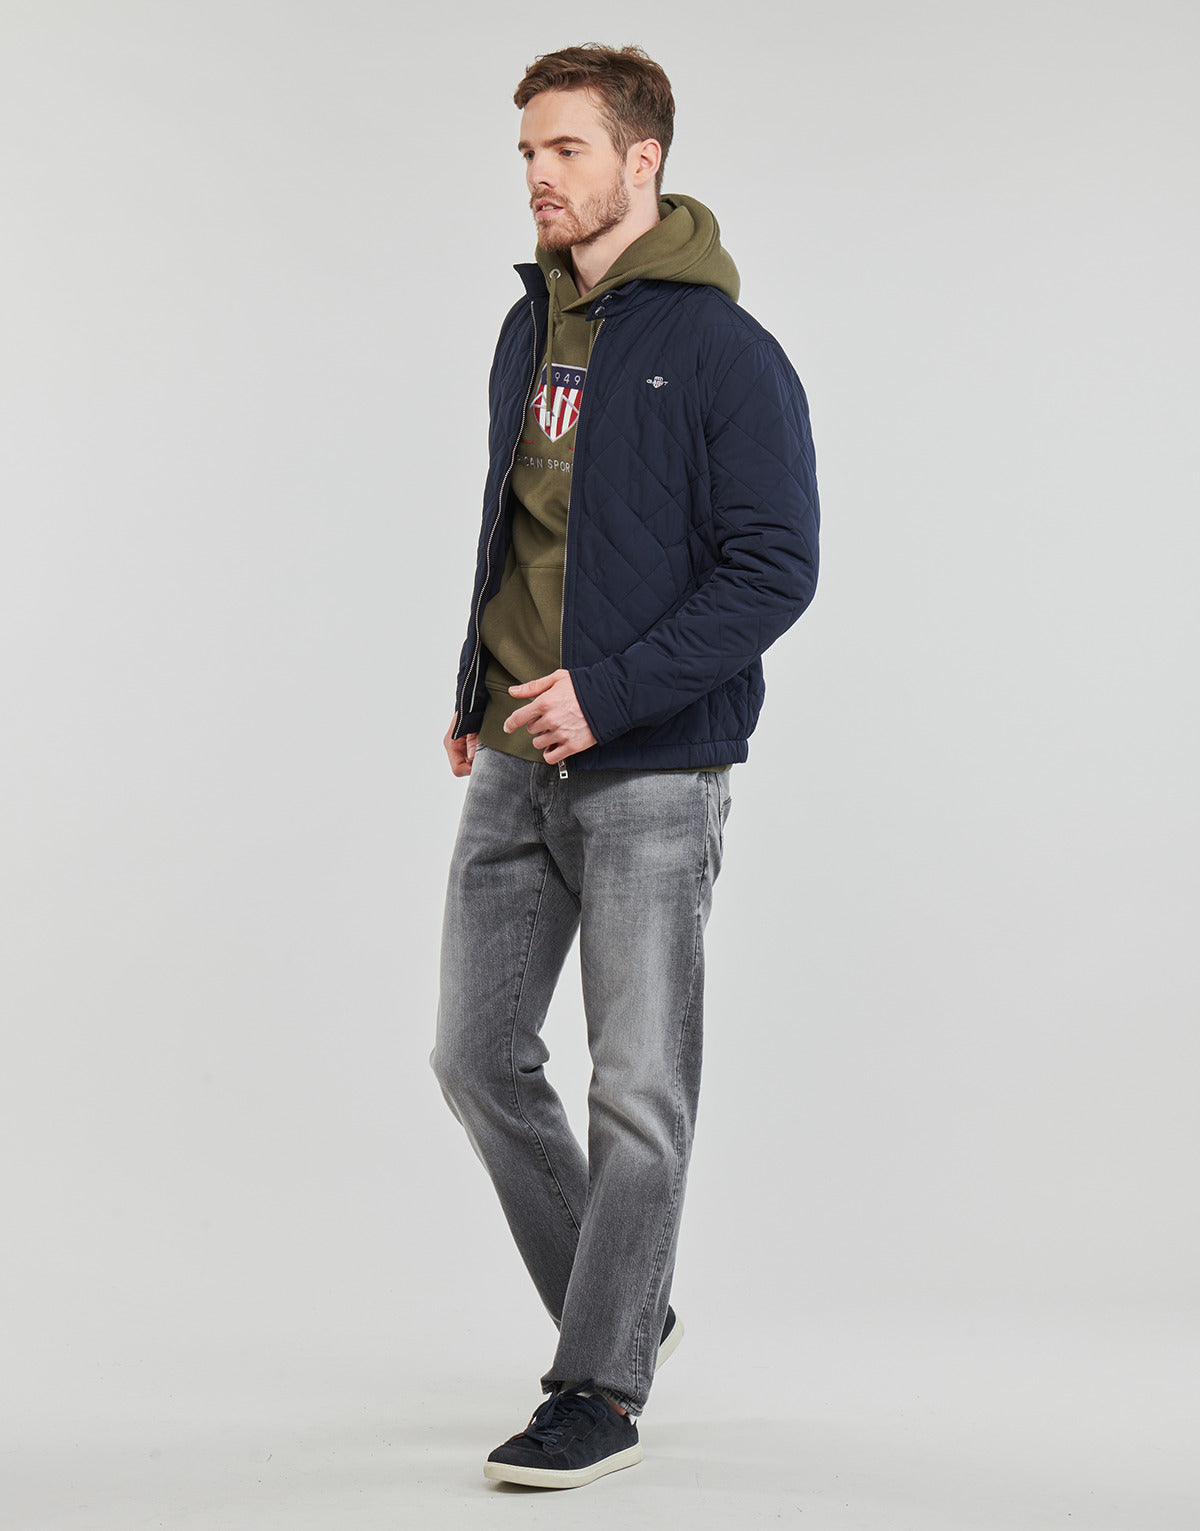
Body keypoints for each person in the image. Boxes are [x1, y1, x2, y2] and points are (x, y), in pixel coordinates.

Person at [429, 43, 819, 1489]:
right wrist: (476, 688)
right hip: (514, 756)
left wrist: (613, 693)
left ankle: (597, 1383)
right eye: (528, 151)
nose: (539, 175)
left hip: (653, 766)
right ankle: (630, 1308)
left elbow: (775, 567)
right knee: (476, 1057)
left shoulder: (726, 352)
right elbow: (520, 530)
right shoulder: (525, 327)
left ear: (641, 160)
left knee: (639, 1087)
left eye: (567, 149)